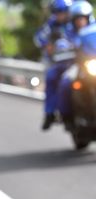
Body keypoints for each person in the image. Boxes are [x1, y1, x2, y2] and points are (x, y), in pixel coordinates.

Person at [33, 0, 73, 130]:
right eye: (57, 12)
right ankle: (50, 113)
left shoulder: (76, 21)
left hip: (79, 61)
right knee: (51, 78)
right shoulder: (51, 25)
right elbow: (39, 37)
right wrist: (47, 46)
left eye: (63, 12)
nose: (61, 15)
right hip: (59, 62)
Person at [57, 0, 95, 128]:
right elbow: (62, 43)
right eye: (77, 19)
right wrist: (63, 47)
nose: (80, 21)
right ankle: (67, 117)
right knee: (65, 83)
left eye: (82, 18)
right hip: (78, 65)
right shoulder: (68, 31)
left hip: (93, 64)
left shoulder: (94, 29)